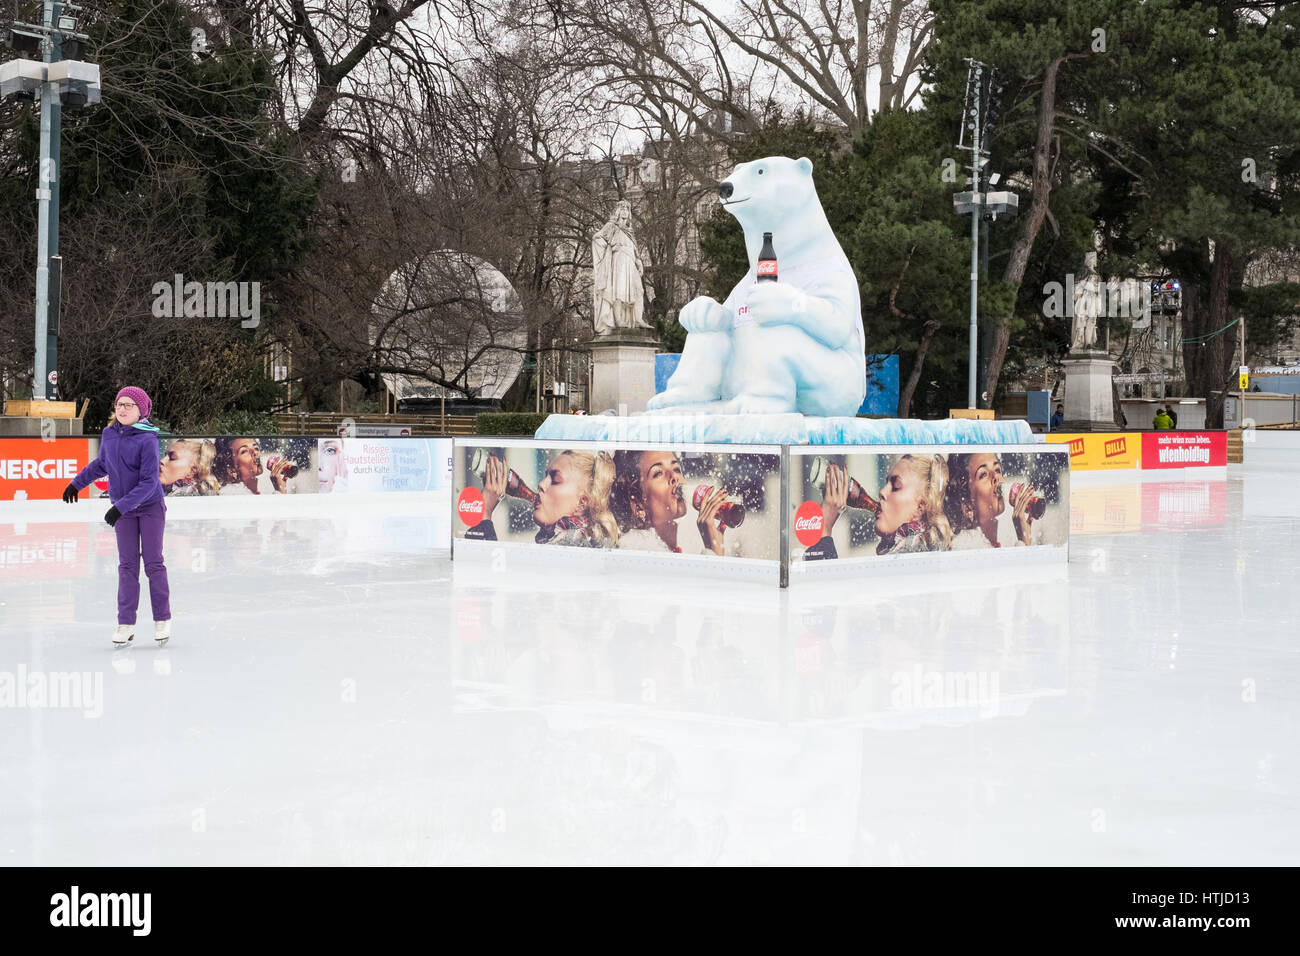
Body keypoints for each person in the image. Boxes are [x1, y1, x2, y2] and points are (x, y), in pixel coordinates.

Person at [62, 386, 172, 645]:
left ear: (141, 410)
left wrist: (119, 507)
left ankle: (162, 619)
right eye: (119, 404)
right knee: (127, 566)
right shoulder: (109, 434)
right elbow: (102, 464)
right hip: (123, 510)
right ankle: (125, 623)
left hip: (149, 507)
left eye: (128, 405)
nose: (122, 409)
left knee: (154, 563)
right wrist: (76, 483)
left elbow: (148, 483)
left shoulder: (147, 439)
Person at [804, 456, 951, 559]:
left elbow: (824, 597)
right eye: (886, 483)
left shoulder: (914, 557)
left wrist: (824, 529)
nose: (882, 492)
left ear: (920, 507)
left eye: (896, 486)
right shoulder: (913, 552)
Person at [468, 450, 619, 547]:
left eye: (555, 480)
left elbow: (483, 580)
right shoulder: (582, 544)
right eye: (546, 476)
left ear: (581, 503)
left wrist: (485, 514)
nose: (541, 484)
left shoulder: (570, 551)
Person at [611, 449, 731, 555]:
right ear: (639, 506)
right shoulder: (637, 552)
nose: (674, 476)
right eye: (658, 473)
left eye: (676, 469)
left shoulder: (664, 550)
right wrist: (713, 550)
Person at [944, 452, 1037, 549]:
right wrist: (1024, 542)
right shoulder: (965, 548)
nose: (996, 477)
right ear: (967, 506)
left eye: (997, 470)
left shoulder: (985, 545)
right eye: (983, 474)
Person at [215, 437, 295, 494]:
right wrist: (280, 492)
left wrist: (281, 489)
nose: (256, 453)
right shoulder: (232, 495)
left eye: (256, 448)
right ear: (231, 470)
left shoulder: (250, 494)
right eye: (244, 451)